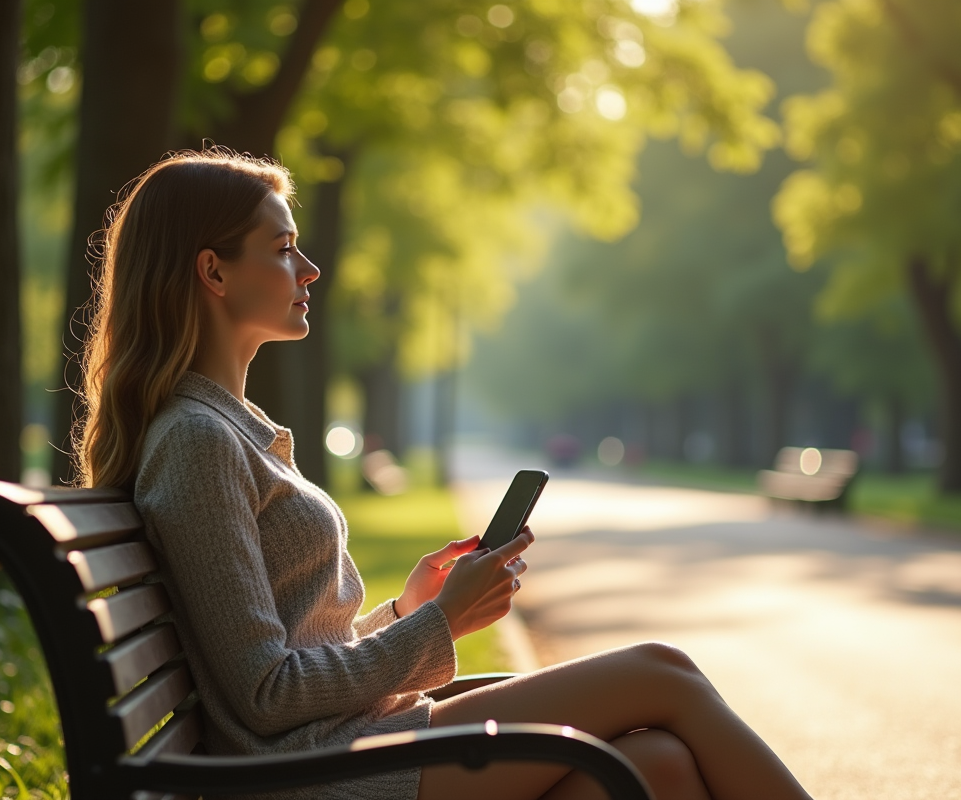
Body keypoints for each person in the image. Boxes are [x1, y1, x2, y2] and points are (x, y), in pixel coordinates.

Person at [75, 148, 814, 800]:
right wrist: (443, 621)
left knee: (659, 766)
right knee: (662, 672)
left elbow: (282, 657)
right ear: (213, 271)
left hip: (344, 750)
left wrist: (404, 613)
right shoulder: (198, 441)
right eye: (283, 248)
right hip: (317, 775)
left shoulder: (222, 430)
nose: (310, 267)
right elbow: (266, 696)